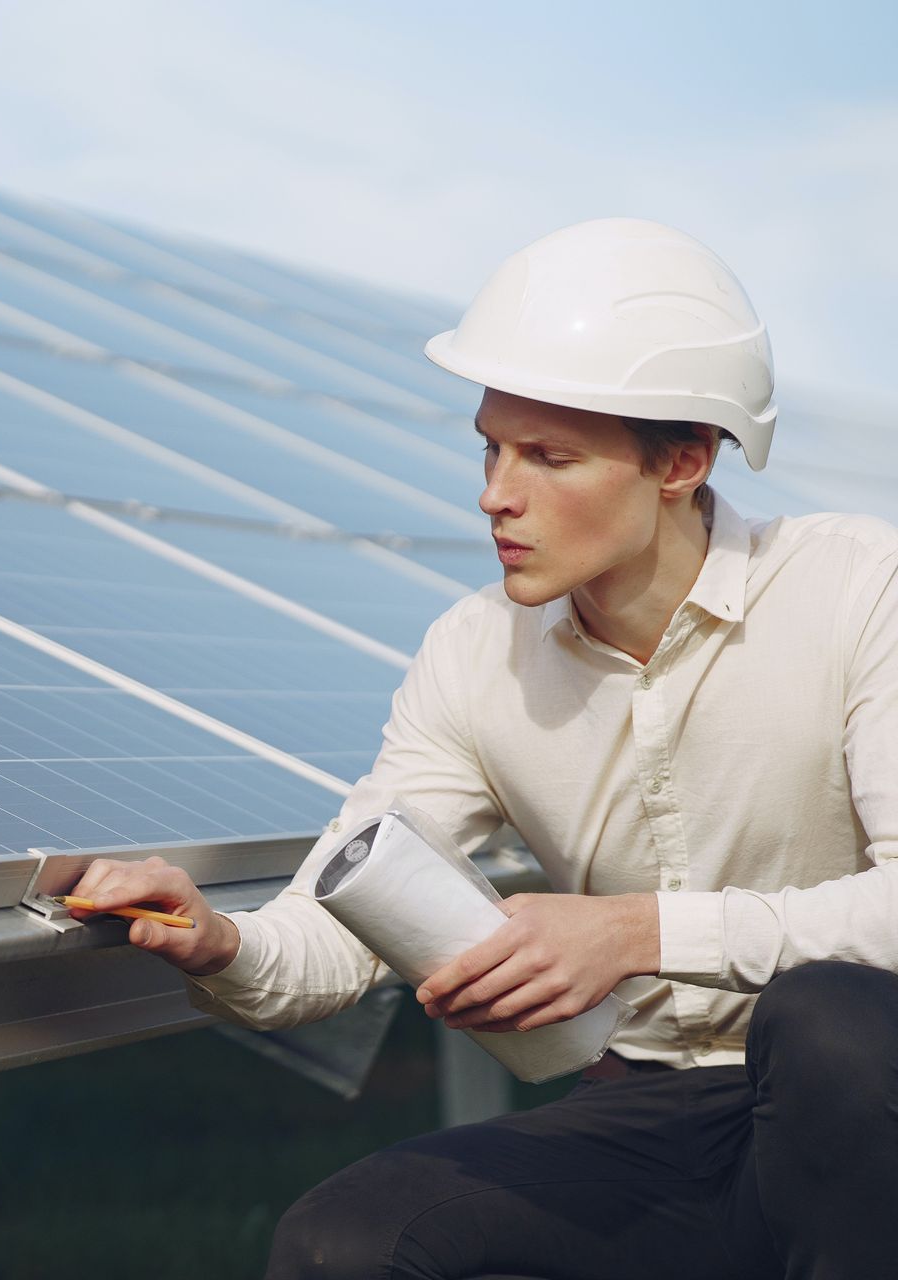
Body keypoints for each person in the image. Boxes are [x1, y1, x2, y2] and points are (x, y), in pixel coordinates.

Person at [65, 218, 898, 1279]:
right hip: (658, 1112)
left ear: (680, 462)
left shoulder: (858, 586)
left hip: (870, 1103)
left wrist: (635, 932)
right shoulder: (471, 656)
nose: (495, 493)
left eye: (550, 456)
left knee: (830, 1020)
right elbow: (335, 928)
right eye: (492, 446)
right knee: (342, 1246)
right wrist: (215, 938)